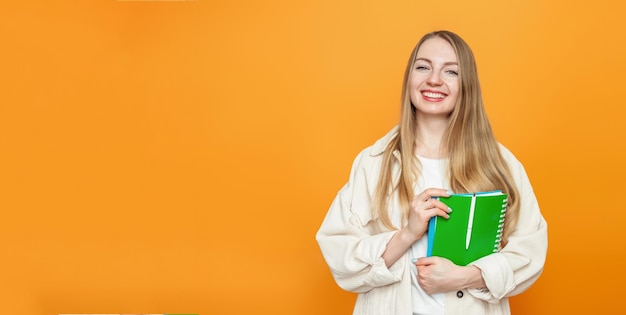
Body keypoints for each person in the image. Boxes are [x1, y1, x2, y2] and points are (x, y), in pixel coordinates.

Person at [316, 30, 548, 315]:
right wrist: (408, 234)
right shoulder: (373, 162)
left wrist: (464, 276)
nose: (434, 79)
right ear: (409, 78)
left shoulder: (500, 164)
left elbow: (530, 253)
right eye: (423, 67)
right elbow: (340, 256)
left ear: (467, 85)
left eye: (450, 71)